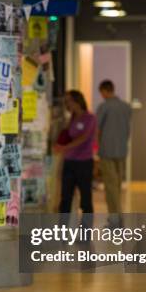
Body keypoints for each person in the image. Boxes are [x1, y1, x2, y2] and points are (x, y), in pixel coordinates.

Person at [54, 90, 97, 225]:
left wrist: (64, 148)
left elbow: (83, 138)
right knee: (65, 199)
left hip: (84, 163)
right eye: (65, 102)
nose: (67, 104)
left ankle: (85, 233)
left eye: (69, 101)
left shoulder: (90, 118)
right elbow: (68, 136)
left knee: (85, 201)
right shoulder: (72, 118)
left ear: (78, 101)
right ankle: (62, 232)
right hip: (69, 162)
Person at [96, 80, 132, 227]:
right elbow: (128, 128)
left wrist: (96, 146)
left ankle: (116, 218)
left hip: (107, 151)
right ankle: (117, 217)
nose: (102, 96)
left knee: (111, 187)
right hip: (122, 151)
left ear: (105, 91)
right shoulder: (126, 107)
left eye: (101, 93)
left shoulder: (104, 107)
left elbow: (97, 129)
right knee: (117, 185)